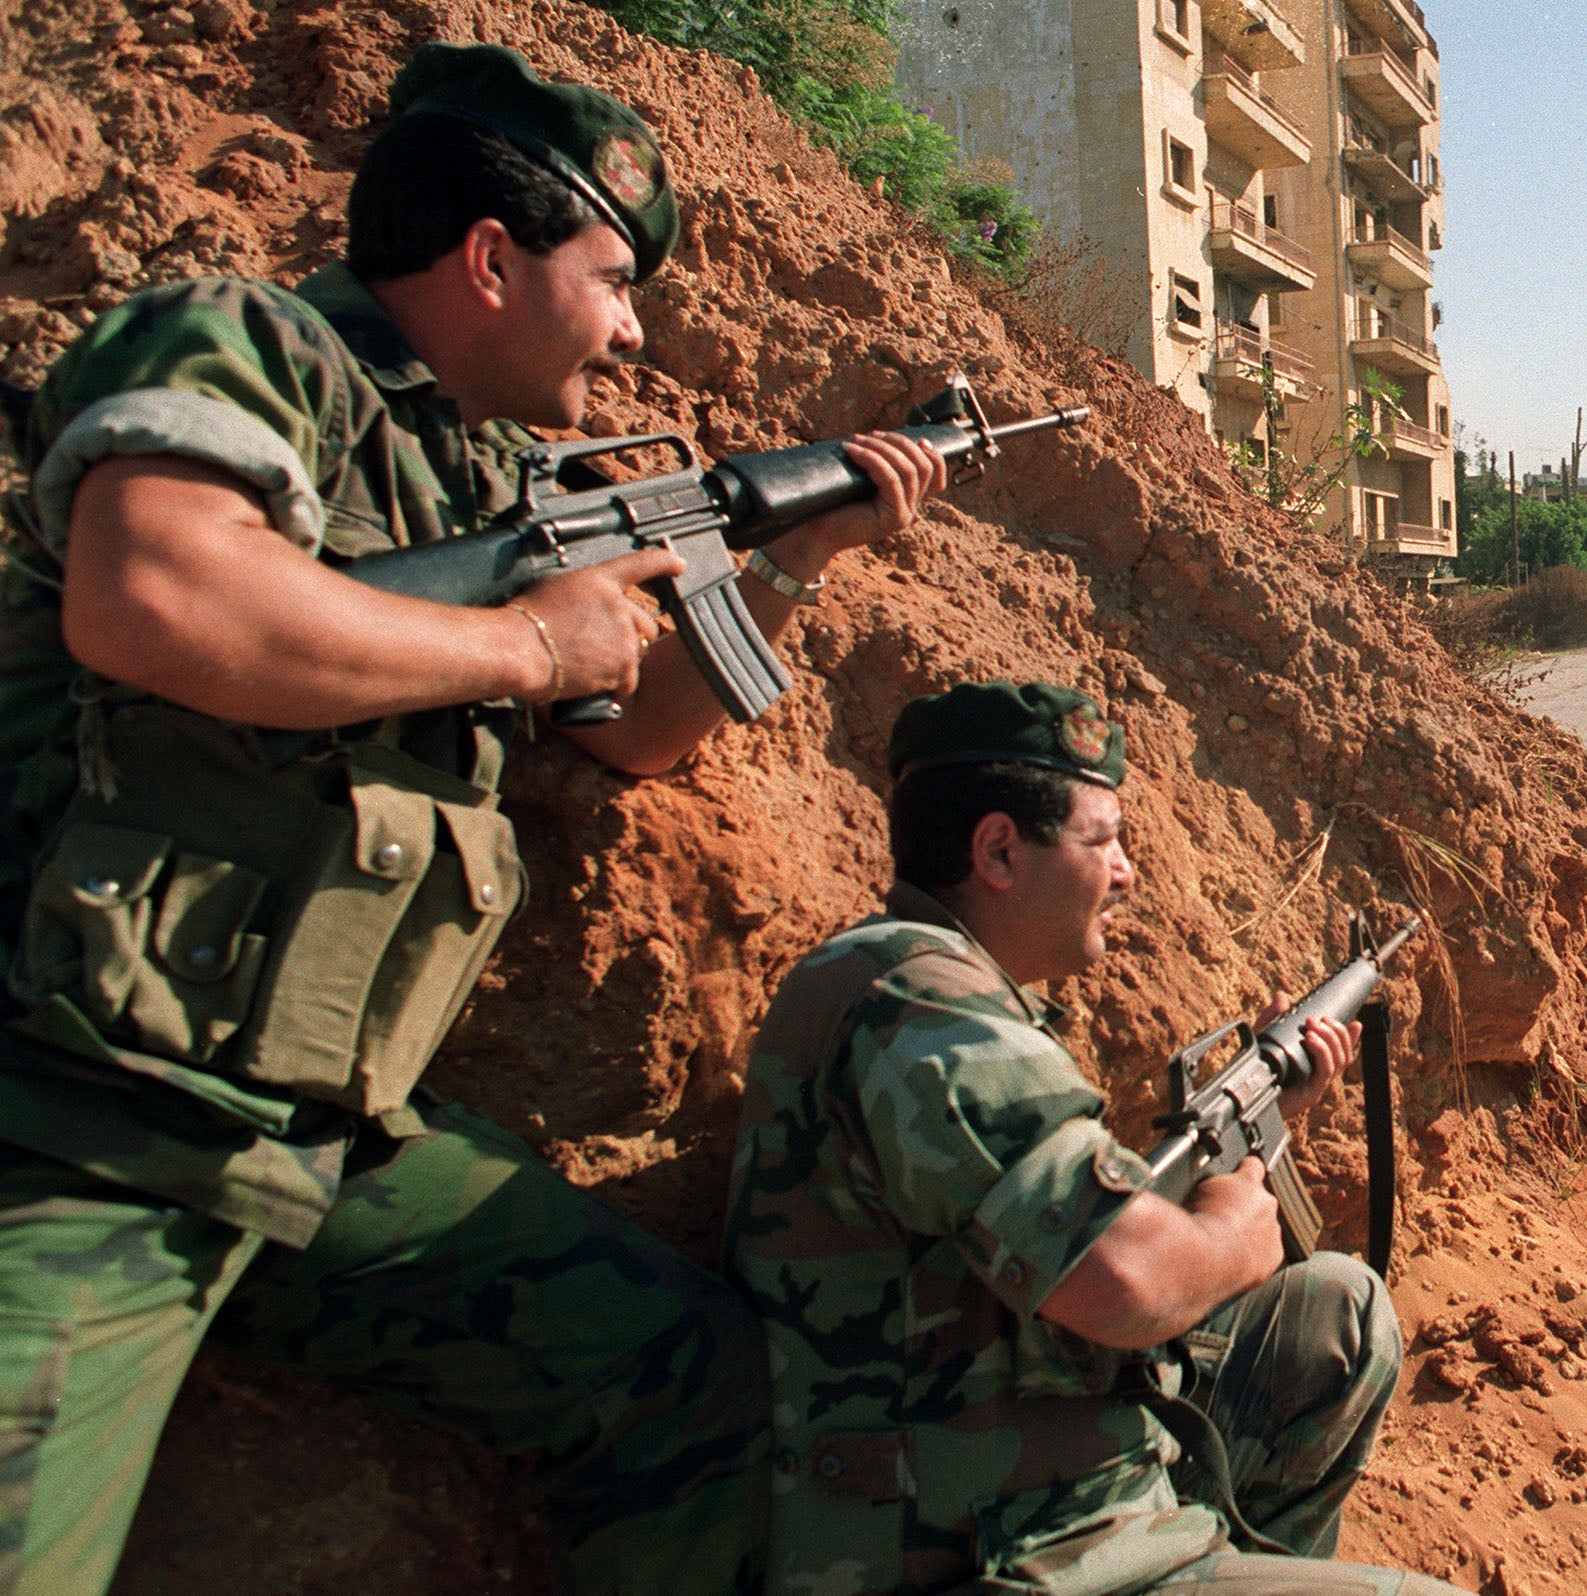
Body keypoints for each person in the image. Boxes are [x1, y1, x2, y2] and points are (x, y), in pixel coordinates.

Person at [0, 42, 946, 1596]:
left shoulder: (491, 482)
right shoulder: (243, 344)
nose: (638, 329)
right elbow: (152, 588)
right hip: (74, 1114)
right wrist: (523, 643)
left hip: (319, 1146)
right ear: (493, 257)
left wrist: (802, 550)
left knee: (688, 1377)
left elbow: (637, 735)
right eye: (615, 277)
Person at [725, 681, 1468, 1596]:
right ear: (998, 849)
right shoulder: (919, 1006)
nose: (1125, 872)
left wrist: (1286, 1112)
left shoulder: (936, 989)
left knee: (1334, 1316)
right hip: (996, 1552)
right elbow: (1124, 1282)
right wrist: (1235, 1234)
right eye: (1101, 841)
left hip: (1046, 1480)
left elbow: (1052, 1227)